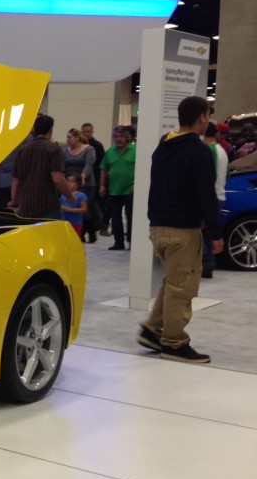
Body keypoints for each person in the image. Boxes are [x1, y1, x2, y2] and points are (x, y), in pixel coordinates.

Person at [137, 96, 223, 364]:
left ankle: (153, 329)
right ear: (201, 117)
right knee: (183, 287)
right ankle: (174, 343)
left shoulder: (164, 145)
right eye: (207, 115)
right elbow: (206, 194)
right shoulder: (198, 151)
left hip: (158, 227)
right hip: (182, 230)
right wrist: (217, 233)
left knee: (173, 281)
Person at [10, 114, 77, 220]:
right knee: (56, 234)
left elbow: (16, 180)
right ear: (50, 130)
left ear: (35, 129)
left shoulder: (22, 151)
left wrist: (14, 202)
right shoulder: (54, 149)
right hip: (47, 205)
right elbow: (58, 178)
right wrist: (69, 196)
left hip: (26, 205)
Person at [98, 126, 136, 250]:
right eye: (116, 136)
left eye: (121, 136)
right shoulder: (110, 152)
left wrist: (137, 184)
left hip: (130, 189)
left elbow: (142, 168)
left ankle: (131, 242)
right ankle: (118, 242)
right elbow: (104, 169)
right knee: (115, 217)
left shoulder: (135, 150)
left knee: (131, 217)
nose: (119, 139)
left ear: (127, 138)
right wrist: (102, 186)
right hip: (114, 189)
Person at [201, 121, 229, 278]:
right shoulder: (221, 150)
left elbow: (206, 177)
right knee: (208, 231)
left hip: (211, 196)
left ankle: (206, 265)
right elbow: (227, 175)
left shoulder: (208, 150)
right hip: (220, 193)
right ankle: (207, 264)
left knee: (204, 232)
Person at [63, 128, 98, 241]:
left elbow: (89, 164)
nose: (67, 140)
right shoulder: (65, 151)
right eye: (67, 137)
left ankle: (91, 232)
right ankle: (79, 235)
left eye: (70, 137)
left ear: (77, 138)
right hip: (69, 183)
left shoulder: (89, 149)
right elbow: (63, 166)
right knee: (72, 206)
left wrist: (82, 177)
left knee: (85, 209)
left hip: (85, 184)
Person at [60, 174, 89, 240]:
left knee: (74, 240)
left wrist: (70, 210)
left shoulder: (81, 195)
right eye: (67, 181)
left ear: (78, 184)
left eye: (72, 181)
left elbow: (84, 209)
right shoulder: (63, 195)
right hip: (64, 223)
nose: (69, 183)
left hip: (76, 223)